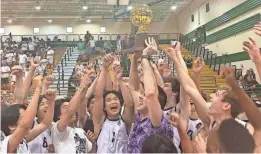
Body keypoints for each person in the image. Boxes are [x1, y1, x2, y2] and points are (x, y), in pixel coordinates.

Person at [127, 38, 174, 153]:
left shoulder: (157, 122)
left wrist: (145, 56)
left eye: (144, 95)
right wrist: (134, 59)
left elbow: (151, 93)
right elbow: (133, 87)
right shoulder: (140, 117)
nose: (141, 97)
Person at [93, 54, 133, 153]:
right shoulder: (100, 121)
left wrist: (120, 80)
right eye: (109, 100)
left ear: (120, 103)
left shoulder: (125, 121)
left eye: (115, 99)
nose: (113, 102)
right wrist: (105, 68)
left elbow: (130, 105)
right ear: (104, 107)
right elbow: (98, 95)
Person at [51, 72, 93, 153]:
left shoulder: (81, 131)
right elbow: (69, 112)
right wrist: (82, 87)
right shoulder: (57, 129)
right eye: (65, 107)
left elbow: (91, 151)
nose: (73, 110)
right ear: (58, 115)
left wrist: (93, 142)